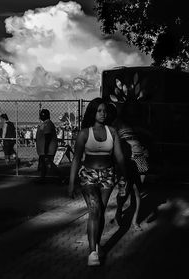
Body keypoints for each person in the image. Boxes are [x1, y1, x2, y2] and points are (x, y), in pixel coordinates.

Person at [68, 97, 126, 266]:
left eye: (104, 111)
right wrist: (71, 183)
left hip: (108, 176)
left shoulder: (112, 132)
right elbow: (76, 159)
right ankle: (92, 253)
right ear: (93, 112)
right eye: (99, 111)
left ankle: (96, 244)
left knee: (100, 213)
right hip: (88, 176)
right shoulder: (85, 133)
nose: (102, 114)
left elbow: (120, 157)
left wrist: (124, 177)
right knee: (95, 210)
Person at [111, 102, 149, 231]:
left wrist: (145, 150)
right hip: (125, 160)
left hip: (140, 159)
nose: (132, 112)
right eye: (130, 109)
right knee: (123, 191)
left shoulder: (140, 123)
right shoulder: (117, 123)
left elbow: (147, 139)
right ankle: (118, 212)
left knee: (137, 192)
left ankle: (134, 221)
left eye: (134, 109)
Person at [35, 109, 62, 183]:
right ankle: (42, 179)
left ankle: (61, 178)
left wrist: (46, 149)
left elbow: (48, 137)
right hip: (43, 149)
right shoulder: (44, 123)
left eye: (42, 115)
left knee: (49, 164)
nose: (40, 116)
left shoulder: (48, 124)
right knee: (44, 164)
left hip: (47, 149)